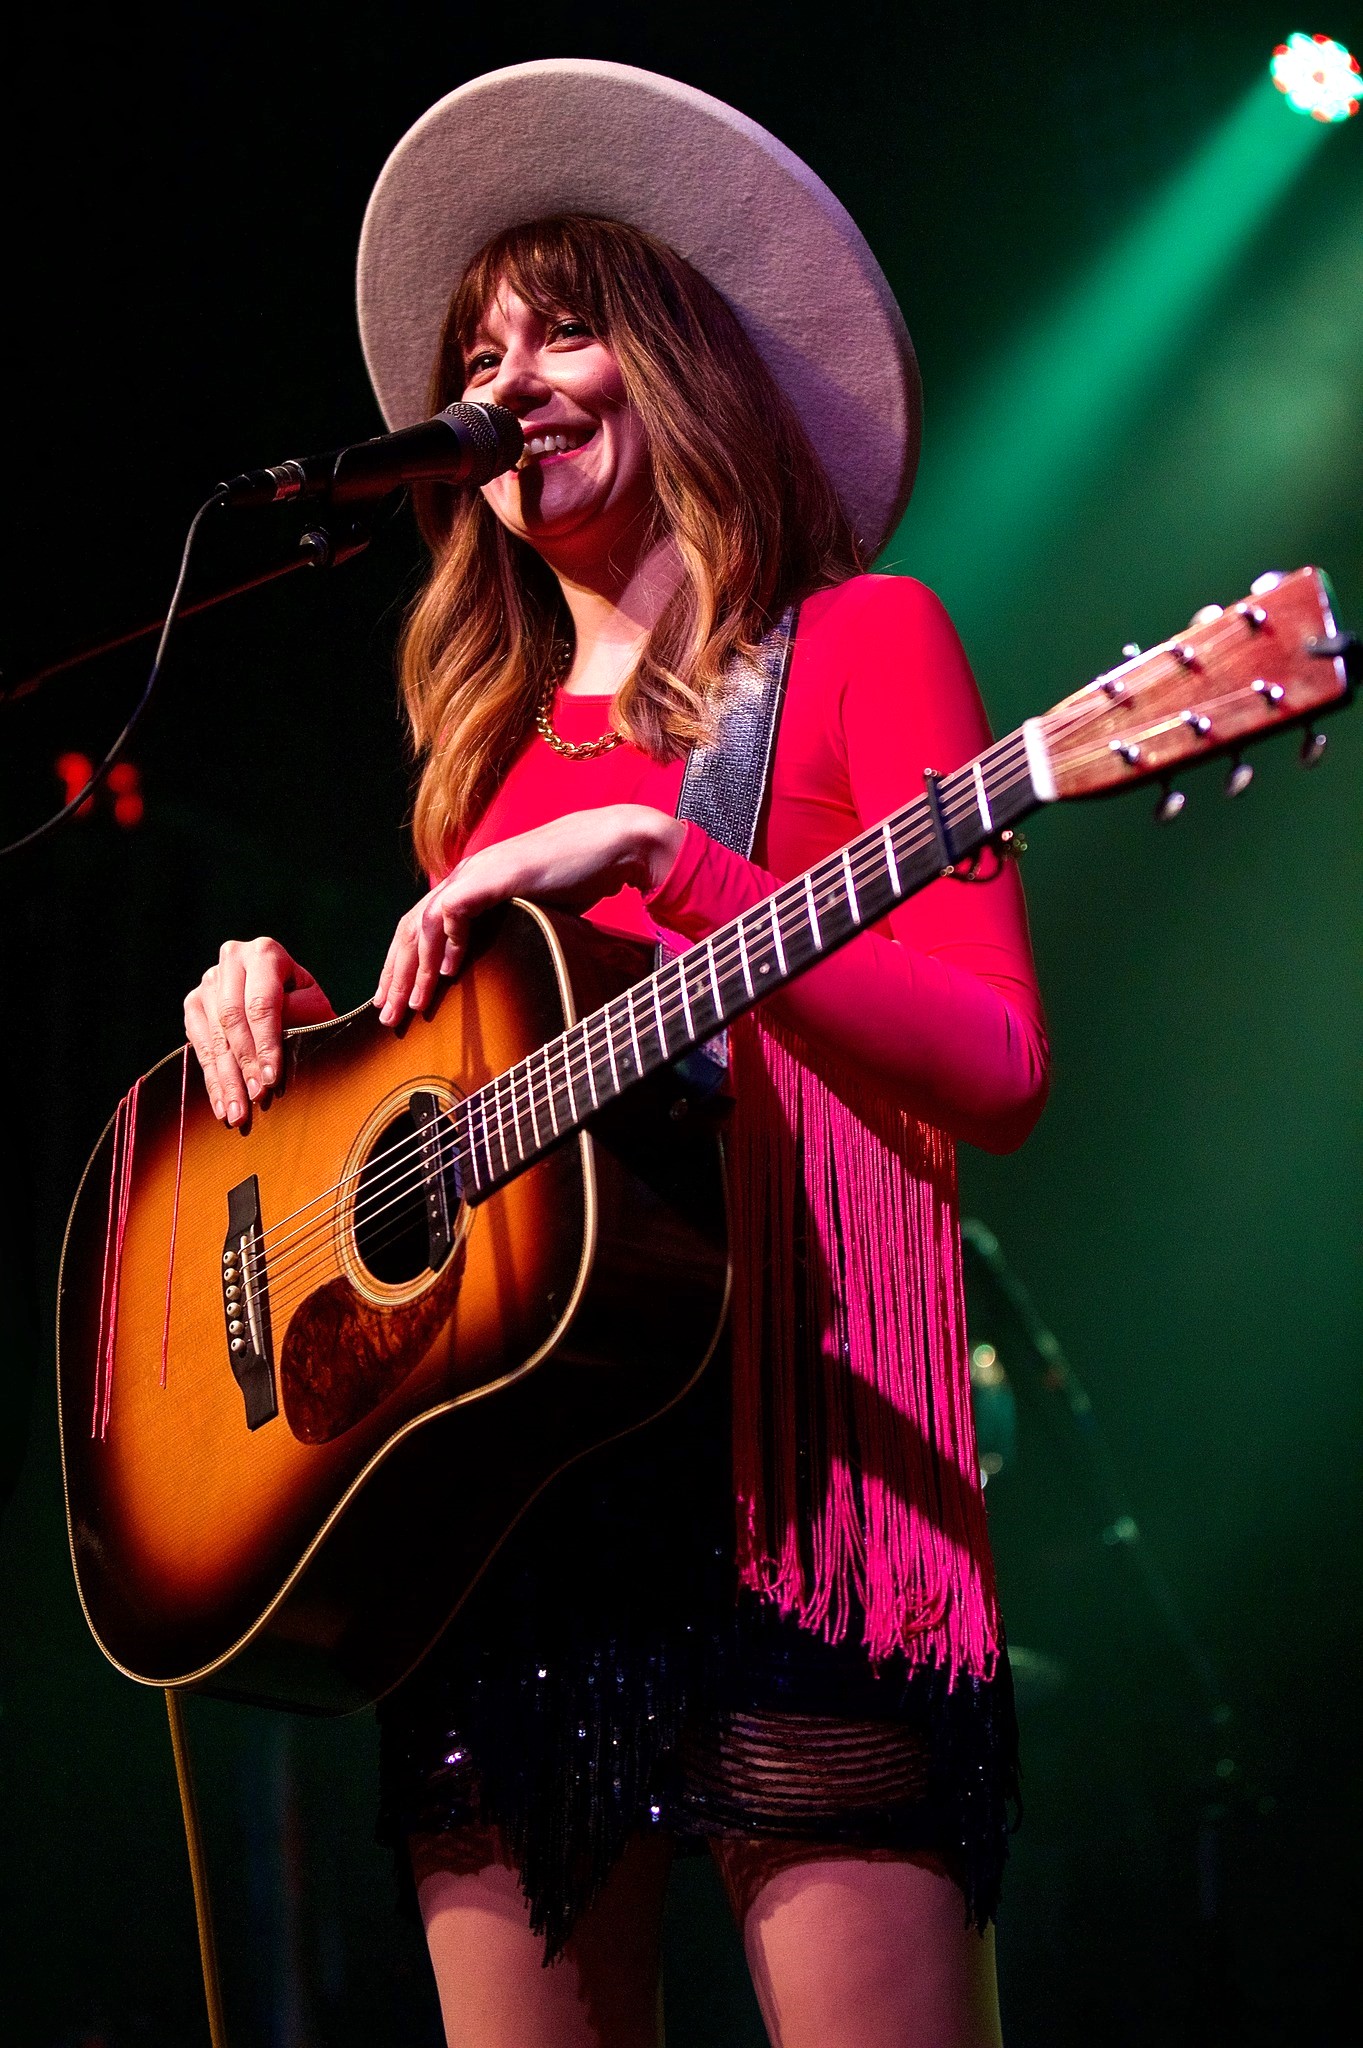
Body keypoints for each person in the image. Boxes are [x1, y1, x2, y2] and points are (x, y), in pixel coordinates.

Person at [183, 62, 1049, 2048]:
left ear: (679, 356)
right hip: (509, 1528)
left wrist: (681, 858)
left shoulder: (864, 643)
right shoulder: (474, 762)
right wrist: (283, 1033)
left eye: (564, 322)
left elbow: (995, 1061)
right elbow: (474, 1137)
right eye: (479, 347)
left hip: (803, 1493)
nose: (511, 378)